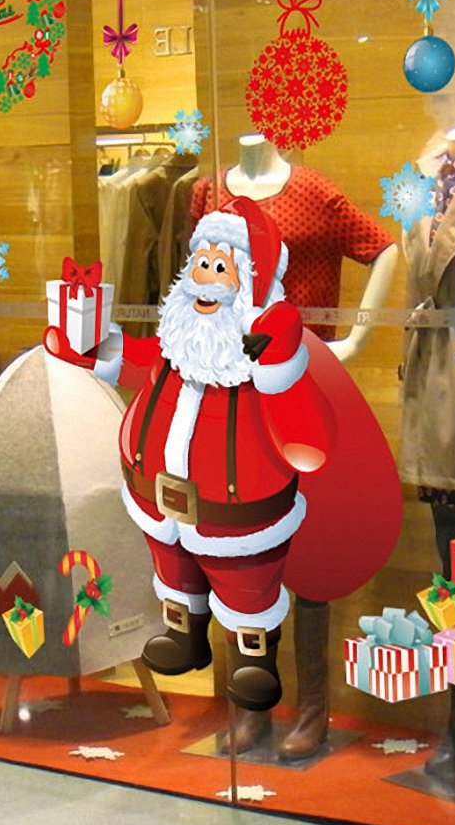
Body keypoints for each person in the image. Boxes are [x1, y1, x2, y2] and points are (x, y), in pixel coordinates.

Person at [43, 198, 334, 711]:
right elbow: (138, 361)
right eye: (201, 264)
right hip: (158, 501)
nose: (205, 279)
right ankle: (183, 631)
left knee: (247, 583)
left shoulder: (259, 362)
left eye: (221, 268)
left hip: (239, 511)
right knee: (174, 570)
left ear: (249, 283)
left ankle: (253, 658)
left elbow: (307, 429)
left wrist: (281, 358)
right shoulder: (177, 347)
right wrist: (91, 351)